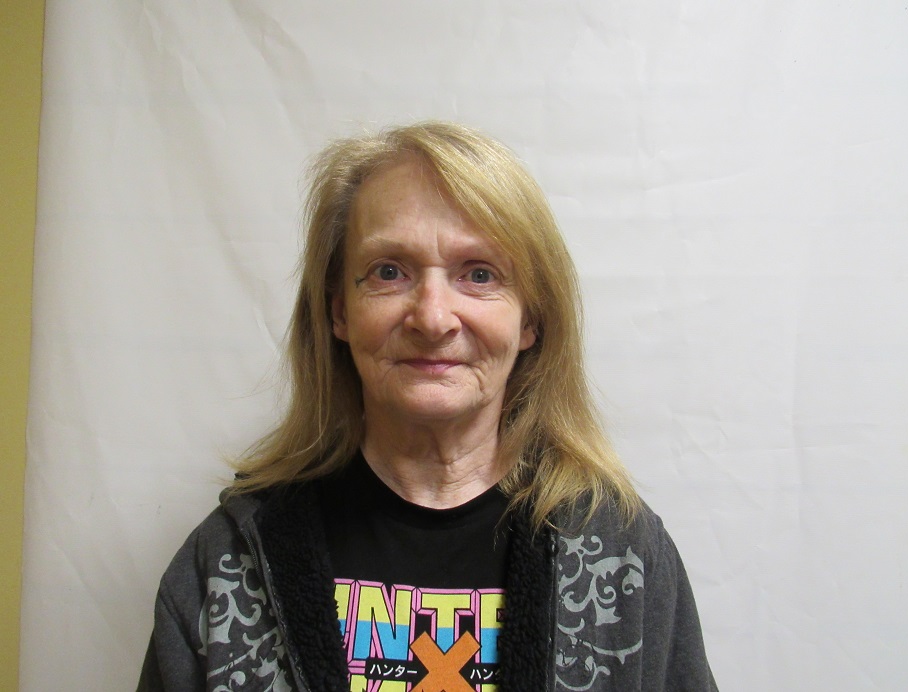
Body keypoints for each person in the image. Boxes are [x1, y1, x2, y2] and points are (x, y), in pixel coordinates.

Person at [138, 122, 717, 691]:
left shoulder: (623, 555)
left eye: (480, 274)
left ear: (531, 320)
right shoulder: (228, 561)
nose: (434, 319)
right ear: (339, 311)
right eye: (389, 272)